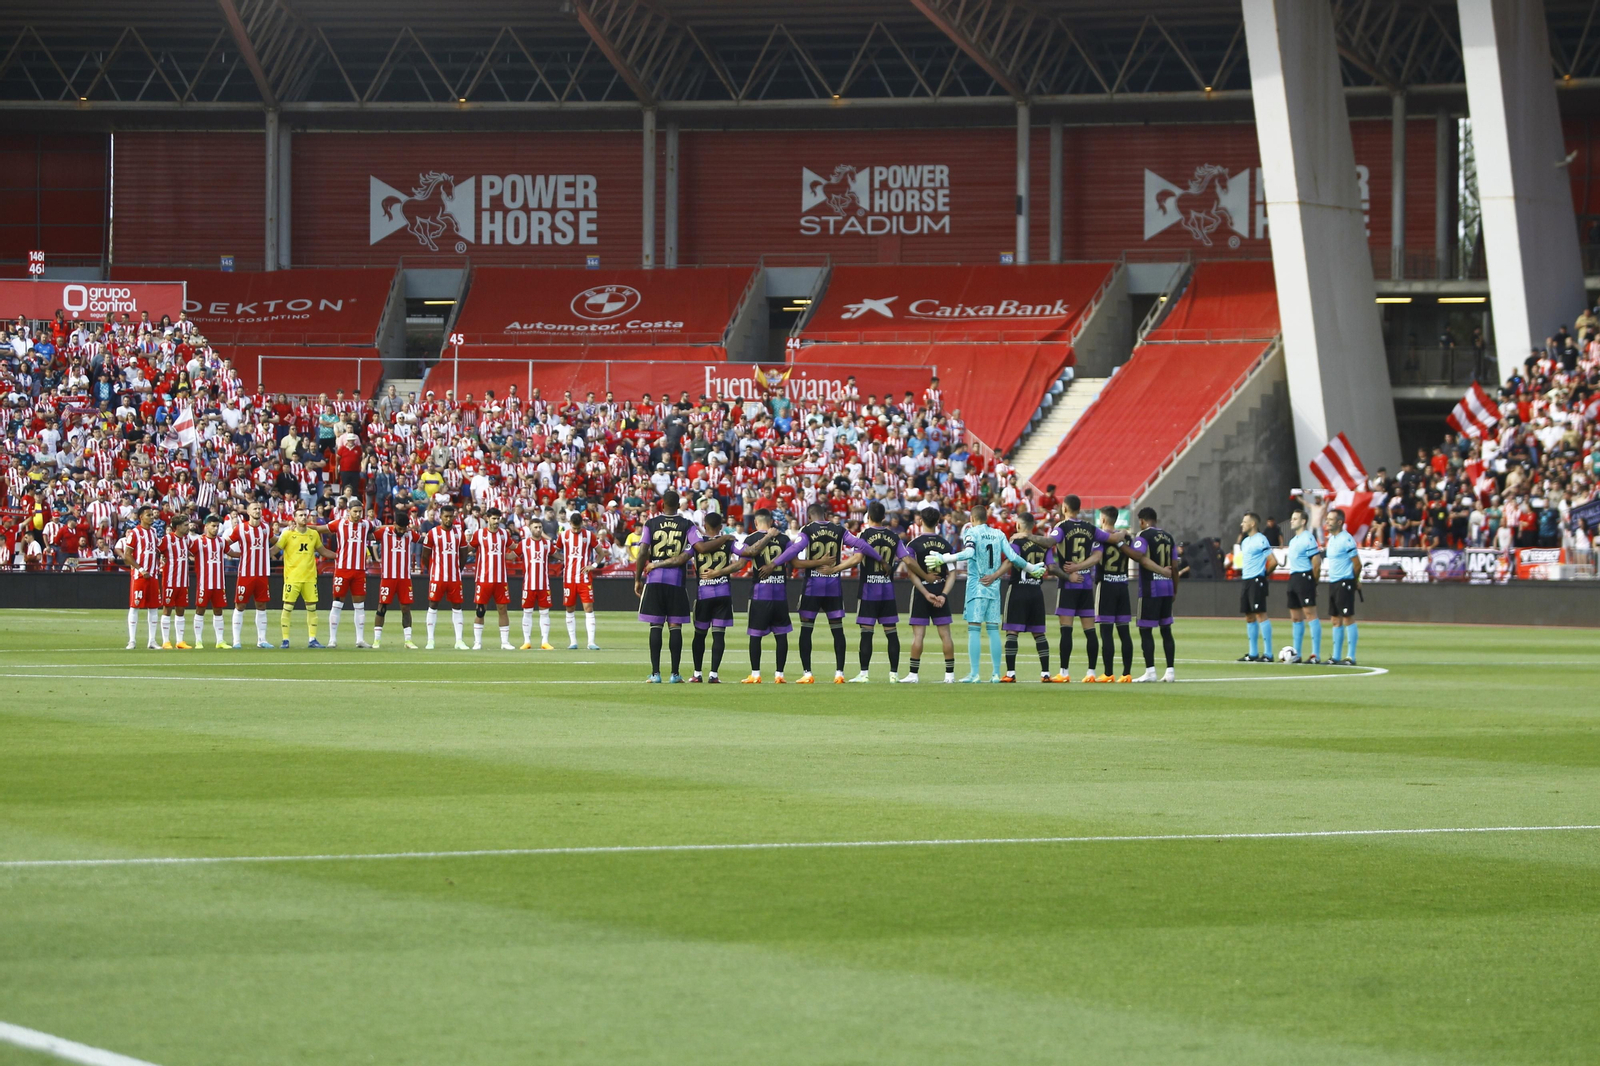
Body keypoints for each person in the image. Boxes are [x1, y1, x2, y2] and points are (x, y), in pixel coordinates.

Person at [926, 502, 1042, 682]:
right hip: (994, 587)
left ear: (972, 519)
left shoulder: (972, 532)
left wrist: (943, 558)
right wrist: (1031, 567)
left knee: (974, 629)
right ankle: (996, 674)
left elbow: (969, 552)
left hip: (977, 586)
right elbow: (1012, 557)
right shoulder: (998, 533)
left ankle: (974, 673)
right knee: (993, 629)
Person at [786, 503, 878, 683]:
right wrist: (836, 567)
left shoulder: (807, 530)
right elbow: (860, 546)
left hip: (812, 585)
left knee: (806, 630)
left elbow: (795, 561)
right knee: (837, 630)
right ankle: (839, 673)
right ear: (825, 514)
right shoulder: (838, 530)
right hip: (833, 586)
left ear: (810, 516)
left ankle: (807, 673)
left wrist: (816, 562)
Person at [636, 490, 715, 683]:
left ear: (662, 504)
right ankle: (675, 673)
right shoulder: (687, 524)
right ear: (679, 505)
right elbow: (700, 547)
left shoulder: (651, 523)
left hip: (654, 579)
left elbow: (643, 551)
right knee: (675, 626)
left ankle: (655, 674)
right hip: (676, 580)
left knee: (655, 625)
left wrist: (637, 578)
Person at [1037, 495, 1105, 682]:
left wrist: (1028, 536)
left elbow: (1050, 542)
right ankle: (1091, 673)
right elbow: (1103, 547)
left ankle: (1064, 673)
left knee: (1066, 630)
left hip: (1068, 584)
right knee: (1090, 631)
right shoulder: (1091, 528)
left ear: (1065, 508)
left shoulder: (1062, 527)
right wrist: (1122, 536)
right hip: (1086, 583)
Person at [986, 511, 1052, 682]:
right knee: (1039, 634)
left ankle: (1010, 674)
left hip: (1018, 591)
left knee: (1012, 632)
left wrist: (995, 575)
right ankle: (1045, 673)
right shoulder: (1044, 544)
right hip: (1036, 592)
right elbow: (1051, 566)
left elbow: (1010, 560)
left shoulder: (1017, 542)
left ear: (1019, 526)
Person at [836, 501, 897, 682]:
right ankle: (893, 674)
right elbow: (907, 560)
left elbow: (857, 558)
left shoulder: (864, 534)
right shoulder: (894, 536)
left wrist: (837, 568)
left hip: (869, 590)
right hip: (888, 590)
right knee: (891, 632)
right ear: (884, 517)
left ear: (868, 517)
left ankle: (864, 673)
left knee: (866, 631)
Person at [897, 506, 956, 683]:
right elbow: (952, 574)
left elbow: (911, 573)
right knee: (945, 635)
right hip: (940, 590)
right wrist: (943, 595)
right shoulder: (946, 544)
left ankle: (913, 675)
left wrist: (925, 592)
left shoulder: (913, 544)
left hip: (922, 591)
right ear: (939, 522)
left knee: (918, 636)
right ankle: (949, 676)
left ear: (920, 521)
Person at [736, 509, 795, 683]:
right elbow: (793, 560)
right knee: (781, 635)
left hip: (759, 593)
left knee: (755, 635)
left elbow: (741, 562)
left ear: (756, 522)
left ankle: (755, 674)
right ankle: (779, 675)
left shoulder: (751, 539)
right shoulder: (784, 539)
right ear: (771, 522)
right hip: (780, 594)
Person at [1124, 507, 1177, 682]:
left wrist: (1121, 545)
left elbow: (1139, 555)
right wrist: (1175, 589)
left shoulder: (1143, 536)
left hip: (1151, 588)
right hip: (1167, 588)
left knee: (1146, 629)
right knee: (1166, 630)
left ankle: (1150, 671)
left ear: (1142, 521)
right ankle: (1170, 671)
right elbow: (1174, 566)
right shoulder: (1169, 537)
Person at [687, 512, 740, 682]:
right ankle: (714, 674)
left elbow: (682, 557)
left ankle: (697, 674)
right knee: (719, 635)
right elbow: (745, 555)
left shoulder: (696, 544)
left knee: (700, 634)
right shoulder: (729, 542)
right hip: (723, 593)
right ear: (721, 527)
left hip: (704, 594)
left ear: (705, 524)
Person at [1085, 506, 1134, 682]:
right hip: (1123, 585)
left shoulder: (1100, 538)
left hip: (1106, 586)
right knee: (1124, 632)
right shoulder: (1126, 536)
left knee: (1106, 632)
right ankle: (1127, 673)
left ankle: (1108, 673)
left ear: (1103, 519)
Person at [275, 505, 334, 648]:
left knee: (312, 608)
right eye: (300, 515)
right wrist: (260, 554)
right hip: (292, 578)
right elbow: (275, 549)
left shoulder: (313, 534)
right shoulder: (287, 534)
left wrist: (341, 556)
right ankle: (285, 640)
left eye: (304, 515)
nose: (303, 517)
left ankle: (312, 639)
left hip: (309, 577)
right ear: (294, 518)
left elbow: (323, 551)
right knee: (287, 608)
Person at [322, 500, 375, 649]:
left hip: (359, 571)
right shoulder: (339, 524)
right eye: (355, 511)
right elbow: (322, 529)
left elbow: (377, 529)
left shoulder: (365, 525)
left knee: (360, 606)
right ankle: (332, 639)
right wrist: (304, 527)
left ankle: (360, 639)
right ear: (348, 511)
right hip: (342, 569)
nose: (358, 515)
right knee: (337, 604)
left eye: (360, 512)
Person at [229, 500, 276, 649]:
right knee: (240, 604)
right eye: (254, 509)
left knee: (261, 604)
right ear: (248, 512)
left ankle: (262, 640)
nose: (258, 511)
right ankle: (236, 641)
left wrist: (277, 549)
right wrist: (234, 554)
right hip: (245, 573)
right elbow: (225, 543)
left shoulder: (266, 528)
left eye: (259, 509)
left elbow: (277, 541)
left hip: (262, 573)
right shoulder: (240, 528)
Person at [420, 505, 467, 650]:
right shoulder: (432, 533)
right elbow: (425, 556)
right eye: (445, 516)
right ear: (440, 517)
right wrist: (432, 570)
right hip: (437, 577)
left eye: (451, 516)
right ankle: (430, 640)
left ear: (454, 517)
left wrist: (457, 569)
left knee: (457, 607)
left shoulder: (459, 534)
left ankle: (459, 641)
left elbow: (464, 555)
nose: (448, 519)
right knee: (433, 606)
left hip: (454, 577)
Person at [373, 505, 418, 650]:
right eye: (400, 528)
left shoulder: (409, 534)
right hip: (388, 577)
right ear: (394, 525)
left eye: (405, 528)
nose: (402, 531)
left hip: (405, 578)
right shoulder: (384, 533)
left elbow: (424, 539)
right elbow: (368, 533)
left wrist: (414, 530)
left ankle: (408, 640)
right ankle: (376, 640)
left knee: (406, 608)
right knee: (382, 607)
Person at [470, 507, 514, 650]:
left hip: (501, 579)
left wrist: (518, 553)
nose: (496, 521)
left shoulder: (504, 534)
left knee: (502, 609)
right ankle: (477, 642)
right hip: (483, 579)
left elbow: (514, 548)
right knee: (480, 610)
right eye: (494, 518)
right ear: (487, 518)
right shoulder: (480, 534)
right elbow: (469, 548)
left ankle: (505, 642)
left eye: (498, 518)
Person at [1283, 508, 1324, 663]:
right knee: (1295, 617)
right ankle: (1296, 653)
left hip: (1304, 576)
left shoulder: (1308, 538)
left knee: (1310, 614)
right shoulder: (1293, 540)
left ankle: (1315, 654)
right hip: (1293, 577)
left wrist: (1314, 583)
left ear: (1303, 521)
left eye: (1295, 518)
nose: (1292, 521)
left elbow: (1316, 562)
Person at [1236, 512, 1277, 662]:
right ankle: (1253, 653)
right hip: (1246, 580)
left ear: (1252, 524)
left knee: (1260, 614)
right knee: (1249, 616)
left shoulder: (1261, 539)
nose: (1242, 524)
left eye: (1245, 521)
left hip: (1256, 580)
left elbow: (1273, 561)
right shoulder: (1245, 541)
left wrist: (1263, 574)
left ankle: (1268, 653)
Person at [558, 510, 601, 650]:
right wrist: (565, 560)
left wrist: (593, 565)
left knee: (588, 608)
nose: (576, 530)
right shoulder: (563, 535)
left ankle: (591, 642)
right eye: (574, 527)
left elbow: (601, 553)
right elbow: (555, 551)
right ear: (569, 524)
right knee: (570, 608)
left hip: (584, 578)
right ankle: (573, 641)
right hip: (569, 578)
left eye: (578, 528)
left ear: (582, 524)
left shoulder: (589, 535)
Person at [1324, 509, 1362, 665]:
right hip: (1333, 582)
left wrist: (1353, 580)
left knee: (1347, 618)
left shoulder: (1346, 539)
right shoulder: (1331, 539)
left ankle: (1350, 657)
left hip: (1344, 581)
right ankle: (1336, 656)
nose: (1327, 522)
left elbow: (1357, 563)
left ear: (1339, 522)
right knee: (1335, 620)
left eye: (1331, 519)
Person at [122, 504, 161, 650]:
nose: (152, 517)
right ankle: (132, 640)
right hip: (140, 575)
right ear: (141, 517)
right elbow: (127, 555)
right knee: (135, 606)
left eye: (152, 514)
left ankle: (152, 640)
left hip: (153, 574)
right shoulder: (135, 533)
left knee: (153, 607)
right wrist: (140, 568)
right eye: (149, 515)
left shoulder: (154, 532)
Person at [192, 513, 230, 649]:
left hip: (219, 583)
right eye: (213, 526)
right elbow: (188, 553)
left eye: (217, 526)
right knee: (200, 610)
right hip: (204, 582)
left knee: (218, 610)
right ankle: (198, 641)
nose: (216, 529)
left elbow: (230, 552)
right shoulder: (198, 542)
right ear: (206, 526)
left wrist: (246, 553)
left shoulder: (221, 541)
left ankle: (220, 641)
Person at [517, 518, 555, 651]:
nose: (538, 529)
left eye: (540, 527)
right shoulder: (524, 543)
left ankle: (545, 641)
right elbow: (511, 555)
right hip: (529, 584)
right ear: (530, 528)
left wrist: (569, 557)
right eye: (535, 527)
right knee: (527, 612)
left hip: (544, 584)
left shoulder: (547, 544)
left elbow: (557, 555)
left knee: (545, 612)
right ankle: (527, 641)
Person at [158, 513, 193, 649]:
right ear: (177, 527)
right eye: (185, 525)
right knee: (167, 609)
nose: (188, 527)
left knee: (181, 609)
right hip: (170, 581)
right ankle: (166, 641)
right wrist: (161, 561)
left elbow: (194, 551)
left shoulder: (187, 540)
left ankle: (180, 641)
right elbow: (156, 550)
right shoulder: (167, 539)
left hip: (183, 581)